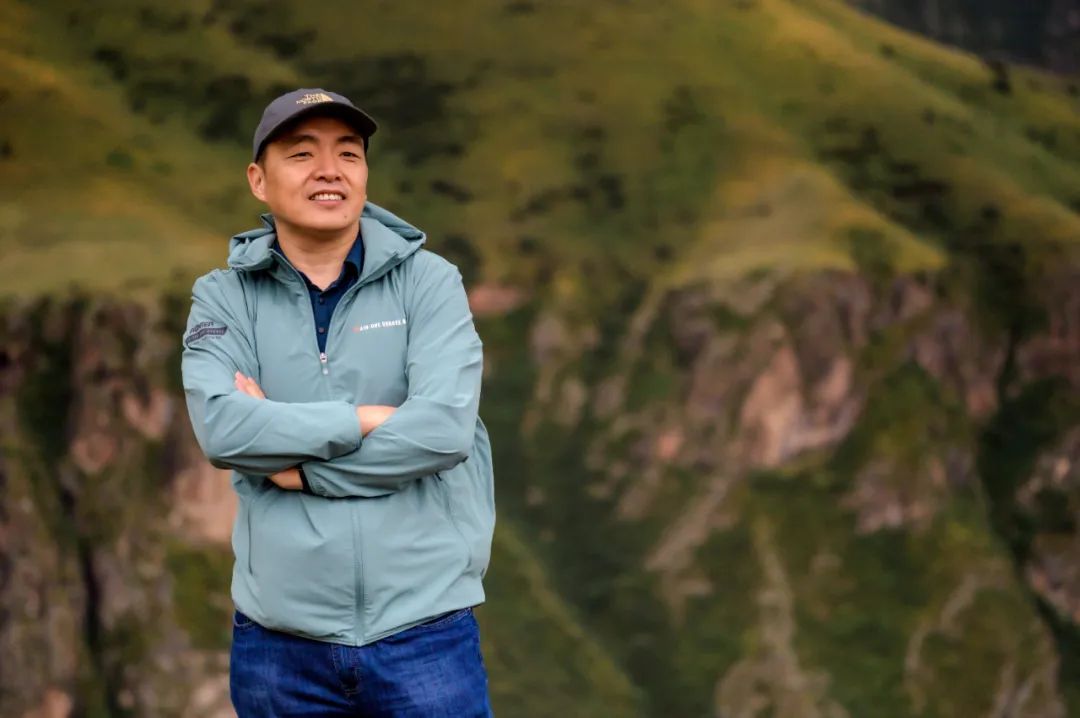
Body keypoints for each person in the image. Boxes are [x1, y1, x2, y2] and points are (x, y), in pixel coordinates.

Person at [180, 88, 496, 717]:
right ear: (258, 180)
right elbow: (223, 429)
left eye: (348, 153)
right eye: (302, 154)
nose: (330, 170)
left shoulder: (428, 282)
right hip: (279, 647)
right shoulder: (224, 298)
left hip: (426, 632)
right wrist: (364, 419)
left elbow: (442, 432)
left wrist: (299, 471)